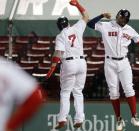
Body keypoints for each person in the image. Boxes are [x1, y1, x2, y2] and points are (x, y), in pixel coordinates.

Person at [87, 9, 139, 130]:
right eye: (119, 16)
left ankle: (134, 117)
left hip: (124, 62)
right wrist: (102, 16)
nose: (119, 18)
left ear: (126, 19)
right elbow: (89, 24)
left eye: (122, 17)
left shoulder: (129, 29)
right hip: (110, 62)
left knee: (129, 89)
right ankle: (119, 119)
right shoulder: (106, 25)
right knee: (113, 92)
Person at [46, 0, 89, 129]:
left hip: (69, 63)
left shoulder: (60, 36)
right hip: (82, 62)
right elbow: (86, 16)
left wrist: (52, 68)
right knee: (78, 92)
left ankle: (62, 119)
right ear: (68, 23)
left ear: (59, 26)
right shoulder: (76, 27)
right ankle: (80, 118)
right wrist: (77, 5)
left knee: (65, 92)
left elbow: (58, 53)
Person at [0, 57, 43, 131]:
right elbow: (35, 97)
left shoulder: (4, 68)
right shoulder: (4, 67)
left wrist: (11, 125)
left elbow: (35, 97)